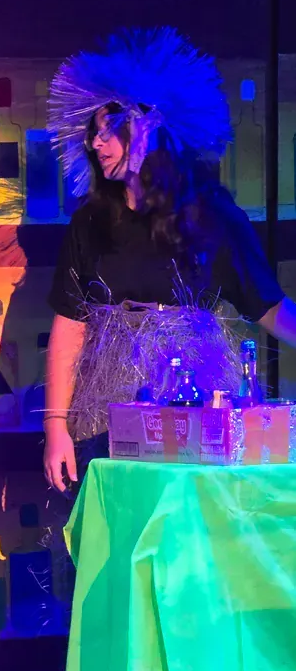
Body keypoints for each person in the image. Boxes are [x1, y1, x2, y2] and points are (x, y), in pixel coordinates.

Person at [43, 27, 296, 492]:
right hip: (107, 412)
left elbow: (269, 307)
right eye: (93, 135)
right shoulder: (91, 222)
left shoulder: (214, 219)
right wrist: (55, 427)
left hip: (193, 414)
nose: (97, 146)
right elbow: (70, 325)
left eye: (108, 132)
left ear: (147, 128)